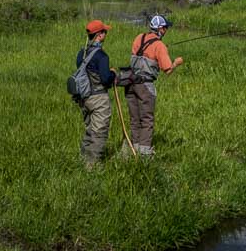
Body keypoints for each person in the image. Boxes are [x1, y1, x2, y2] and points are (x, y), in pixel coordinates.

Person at [124, 15, 183, 156]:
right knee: (147, 119)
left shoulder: (139, 37)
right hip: (145, 86)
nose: (166, 30)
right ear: (161, 29)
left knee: (134, 118)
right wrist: (177, 62)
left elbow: (140, 55)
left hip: (130, 83)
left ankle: (133, 148)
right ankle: (144, 153)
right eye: (166, 28)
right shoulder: (159, 45)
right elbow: (168, 70)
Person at [76, 19, 116, 166]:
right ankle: (92, 166)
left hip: (84, 97)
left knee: (90, 129)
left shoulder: (82, 53)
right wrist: (113, 74)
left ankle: (83, 159)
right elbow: (106, 80)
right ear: (99, 35)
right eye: (104, 31)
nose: (106, 33)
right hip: (99, 98)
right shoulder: (102, 56)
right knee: (99, 132)